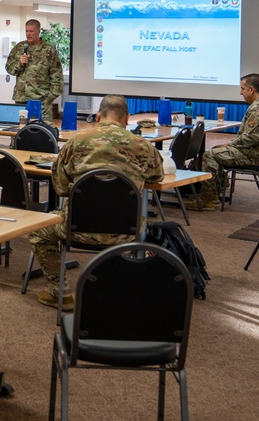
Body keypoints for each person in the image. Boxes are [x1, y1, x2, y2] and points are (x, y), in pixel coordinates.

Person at [27, 94, 163, 310]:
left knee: (37, 231)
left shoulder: (76, 142)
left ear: (98, 116)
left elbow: (60, 188)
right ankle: (122, 294)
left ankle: (61, 293)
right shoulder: (144, 146)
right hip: (127, 231)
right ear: (127, 118)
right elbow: (157, 177)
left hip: (76, 228)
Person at [193, 73, 259, 211]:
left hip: (254, 156)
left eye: (242, 89)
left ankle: (207, 199)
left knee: (209, 155)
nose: (241, 92)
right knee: (217, 149)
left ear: (251, 89)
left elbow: (250, 138)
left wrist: (230, 145)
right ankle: (214, 193)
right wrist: (229, 145)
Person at [5, 19, 63, 124]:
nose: (28, 34)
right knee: (18, 133)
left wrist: (48, 98)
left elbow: (57, 77)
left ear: (38, 31)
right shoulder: (19, 47)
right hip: (21, 99)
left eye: (31, 31)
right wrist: (20, 63)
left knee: (40, 133)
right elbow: (9, 69)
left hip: (41, 100)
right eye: (27, 31)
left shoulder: (49, 50)